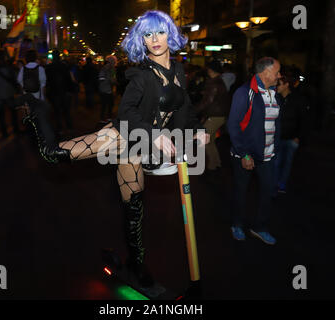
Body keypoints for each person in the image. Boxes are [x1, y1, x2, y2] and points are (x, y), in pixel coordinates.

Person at [19, 10, 209, 287]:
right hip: (121, 136)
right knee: (52, 154)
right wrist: (154, 134)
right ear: (141, 41)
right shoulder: (143, 75)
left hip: (137, 149)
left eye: (159, 32)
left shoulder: (178, 70)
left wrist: (197, 131)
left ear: (170, 33)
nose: (154, 39)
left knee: (134, 209)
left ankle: (137, 264)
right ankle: (38, 110)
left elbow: (185, 108)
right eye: (147, 34)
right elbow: (126, 112)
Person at [227, 56, 281, 245]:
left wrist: (276, 147)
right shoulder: (244, 93)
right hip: (246, 154)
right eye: (277, 72)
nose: (279, 76)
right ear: (265, 73)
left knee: (267, 192)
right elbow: (233, 125)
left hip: (268, 155)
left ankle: (260, 227)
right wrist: (244, 153)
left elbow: (275, 123)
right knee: (241, 192)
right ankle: (237, 224)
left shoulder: (274, 92)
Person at [195, 59, 231, 179]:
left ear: (211, 70)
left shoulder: (214, 83)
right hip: (219, 115)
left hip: (215, 116)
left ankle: (212, 166)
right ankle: (216, 163)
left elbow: (208, 101)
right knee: (210, 140)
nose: (208, 71)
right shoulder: (219, 81)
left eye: (209, 69)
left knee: (205, 139)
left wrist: (194, 111)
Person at [274, 71, 309, 194]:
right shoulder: (275, 98)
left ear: (286, 84)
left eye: (279, 84)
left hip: (292, 137)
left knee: (287, 163)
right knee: (276, 162)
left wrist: (299, 137)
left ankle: (282, 184)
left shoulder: (298, 100)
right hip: (277, 136)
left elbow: (304, 119)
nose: (276, 86)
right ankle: (275, 184)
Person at [0, 51, 20, 138]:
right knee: (13, 112)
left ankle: (4, 132)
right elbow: (15, 78)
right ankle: (15, 129)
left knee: (1, 114)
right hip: (8, 93)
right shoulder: (8, 68)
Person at [45, 50, 74, 134]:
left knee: (57, 112)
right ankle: (69, 127)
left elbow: (48, 81)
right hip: (64, 91)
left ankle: (60, 128)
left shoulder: (49, 67)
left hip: (54, 92)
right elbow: (69, 79)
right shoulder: (64, 66)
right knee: (66, 111)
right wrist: (70, 90)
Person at [98, 55, 117, 123]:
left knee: (109, 104)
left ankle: (108, 117)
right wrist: (110, 80)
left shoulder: (111, 68)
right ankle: (103, 118)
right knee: (105, 104)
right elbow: (101, 78)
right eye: (114, 61)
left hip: (108, 89)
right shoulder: (106, 68)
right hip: (105, 89)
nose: (115, 63)